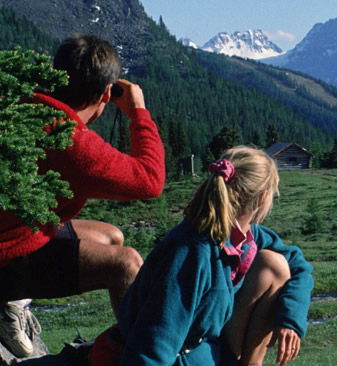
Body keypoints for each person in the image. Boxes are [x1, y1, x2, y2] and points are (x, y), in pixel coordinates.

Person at [0, 34, 165, 358]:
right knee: (126, 264)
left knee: (111, 236)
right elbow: (150, 180)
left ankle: (12, 304)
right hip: (7, 253)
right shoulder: (73, 142)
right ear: (107, 93)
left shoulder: (25, 106)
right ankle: (141, 358)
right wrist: (139, 114)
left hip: (18, 230)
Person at [90, 146, 313, 366]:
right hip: (180, 357)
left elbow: (298, 266)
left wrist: (290, 320)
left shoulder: (249, 236)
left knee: (275, 264)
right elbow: (155, 343)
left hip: (207, 350)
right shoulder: (190, 251)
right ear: (262, 197)